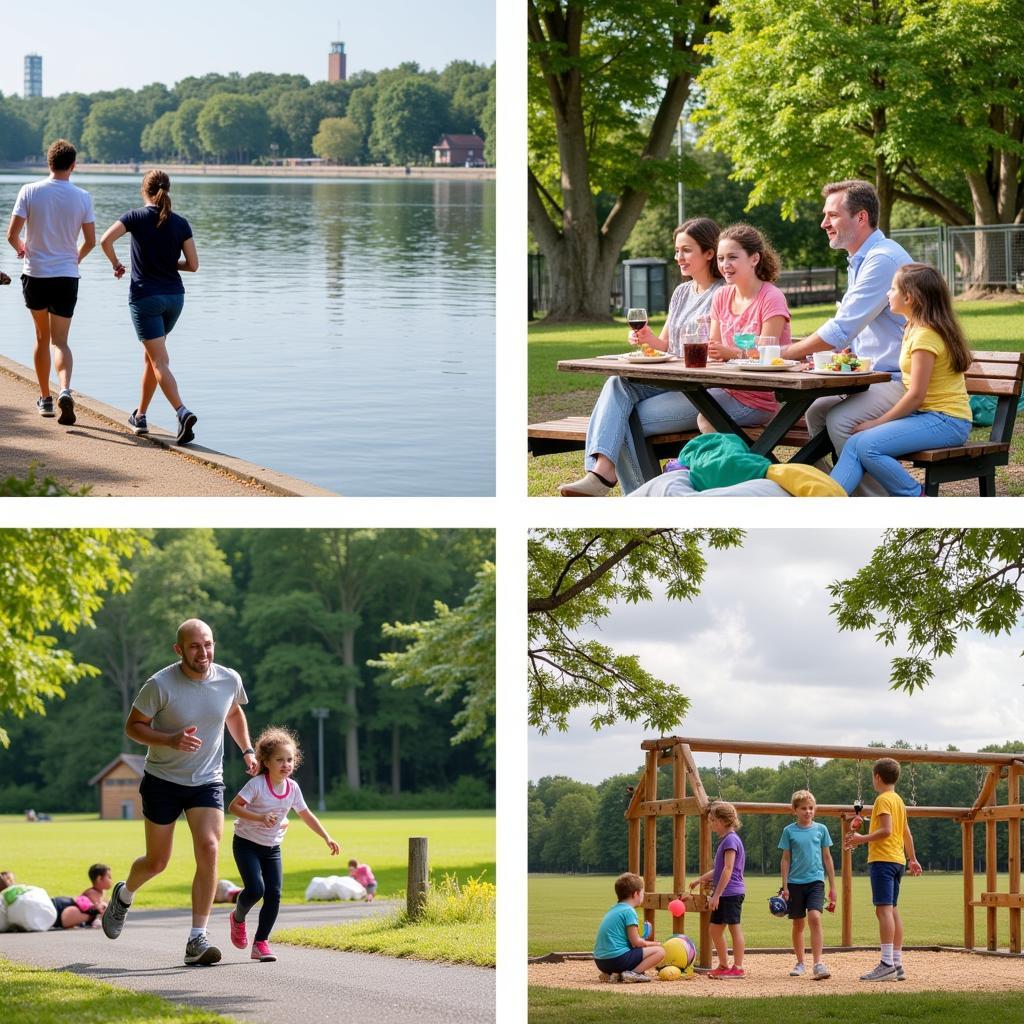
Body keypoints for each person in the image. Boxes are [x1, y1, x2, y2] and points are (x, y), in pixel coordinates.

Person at [101, 618, 258, 966]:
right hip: (162, 780)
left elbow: (233, 713)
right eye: (194, 646)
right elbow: (133, 727)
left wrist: (247, 749)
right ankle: (124, 895)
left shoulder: (228, 679)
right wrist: (169, 740)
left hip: (206, 781)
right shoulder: (160, 684)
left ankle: (196, 939)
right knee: (157, 862)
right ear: (179, 649)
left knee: (210, 847)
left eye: (208, 644)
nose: (203, 652)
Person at [559, 218, 724, 496]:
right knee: (617, 383)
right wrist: (648, 339)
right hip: (669, 381)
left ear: (709, 253)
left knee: (621, 418)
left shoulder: (723, 293)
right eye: (676, 250)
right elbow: (666, 345)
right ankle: (604, 475)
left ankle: (627, 490)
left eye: (686, 250)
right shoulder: (682, 292)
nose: (678, 258)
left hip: (700, 391)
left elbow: (719, 351)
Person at [783, 180, 913, 495]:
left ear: (861, 217)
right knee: (817, 412)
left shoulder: (882, 259)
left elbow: (841, 328)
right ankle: (835, 490)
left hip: (903, 380)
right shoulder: (862, 259)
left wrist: (786, 354)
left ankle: (876, 503)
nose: (823, 223)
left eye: (832, 215)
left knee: (840, 419)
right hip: (875, 377)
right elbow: (850, 336)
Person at [830, 263, 973, 496]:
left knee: (867, 445)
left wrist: (877, 423)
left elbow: (916, 396)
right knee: (856, 444)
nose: (888, 293)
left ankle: (915, 496)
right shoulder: (913, 327)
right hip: (928, 417)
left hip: (948, 421)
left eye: (893, 289)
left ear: (910, 298)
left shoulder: (925, 336)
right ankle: (827, 499)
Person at [99, 169, 199, 445]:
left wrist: (116, 265)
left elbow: (104, 240)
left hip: (146, 297)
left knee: (158, 360)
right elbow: (192, 265)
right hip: (174, 299)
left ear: (144, 190)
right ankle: (140, 416)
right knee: (152, 358)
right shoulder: (181, 223)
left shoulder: (134, 217)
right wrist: (168, 264)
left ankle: (182, 411)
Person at [227, 726, 339, 963]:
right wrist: (259, 818)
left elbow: (306, 814)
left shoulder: (293, 788)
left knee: (274, 894)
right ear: (266, 762)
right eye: (280, 760)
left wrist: (326, 837)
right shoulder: (257, 785)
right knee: (256, 889)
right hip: (246, 844)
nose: (286, 764)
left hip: (271, 849)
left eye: (289, 759)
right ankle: (237, 917)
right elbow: (233, 807)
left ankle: (260, 943)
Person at [6, 138, 95, 424]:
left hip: (36, 274)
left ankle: (45, 400)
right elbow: (91, 241)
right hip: (67, 276)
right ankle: (65, 389)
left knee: (42, 338)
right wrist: (76, 258)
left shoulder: (29, 191)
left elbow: (11, 235)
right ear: (73, 165)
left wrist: (22, 248)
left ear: (48, 162)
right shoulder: (83, 196)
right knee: (61, 342)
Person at [843, 757, 922, 981]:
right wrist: (912, 858)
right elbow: (905, 832)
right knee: (892, 909)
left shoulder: (883, 800)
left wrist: (860, 838)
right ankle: (897, 963)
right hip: (897, 860)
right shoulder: (898, 801)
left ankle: (887, 964)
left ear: (877, 777)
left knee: (883, 910)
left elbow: (886, 831)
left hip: (883, 859)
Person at [779, 790, 836, 981]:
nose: (808, 811)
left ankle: (818, 963)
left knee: (815, 917)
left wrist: (833, 886)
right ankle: (800, 962)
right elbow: (785, 859)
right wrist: (784, 886)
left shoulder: (821, 829)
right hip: (795, 883)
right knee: (798, 923)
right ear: (795, 810)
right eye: (803, 808)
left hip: (816, 881)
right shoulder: (788, 831)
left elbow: (827, 858)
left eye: (811, 808)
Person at [689, 800, 746, 979]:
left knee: (734, 928)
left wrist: (717, 895)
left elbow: (728, 869)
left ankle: (738, 967)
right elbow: (719, 869)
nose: (710, 823)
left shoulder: (730, 840)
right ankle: (723, 965)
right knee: (714, 929)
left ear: (721, 821)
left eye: (712, 820)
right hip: (724, 892)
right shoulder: (725, 840)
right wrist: (700, 879)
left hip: (731, 893)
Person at [592, 871, 665, 983]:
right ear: (635, 894)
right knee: (659, 952)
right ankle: (633, 973)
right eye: (642, 893)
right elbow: (635, 942)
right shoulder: (629, 911)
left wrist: (644, 939)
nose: (643, 896)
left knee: (641, 950)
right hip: (616, 960)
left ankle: (614, 974)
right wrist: (656, 944)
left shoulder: (614, 909)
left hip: (601, 962)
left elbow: (629, 942)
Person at [0, 871, 100, 929]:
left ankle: (96, 913)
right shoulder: (20, 889)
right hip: (55, 904)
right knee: (86, 911)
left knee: (88, 913)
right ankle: (96, 913)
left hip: (54, 915)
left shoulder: (5, 901)